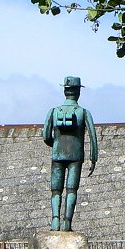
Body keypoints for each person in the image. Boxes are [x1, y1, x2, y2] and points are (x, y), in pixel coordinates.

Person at [43, 76, 98, 231]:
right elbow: (93, 137)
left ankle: (55, 221)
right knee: (72, 189)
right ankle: (67, 222)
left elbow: (45, 135)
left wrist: (54, 144)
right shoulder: (83, 112)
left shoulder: (54, 112)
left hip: (57, 155)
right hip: (75, 156)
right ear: (78, 92)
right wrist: (93, 158)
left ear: (65, 91)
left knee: (56, 190)